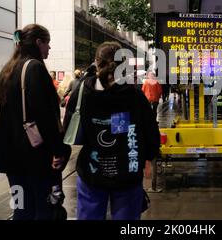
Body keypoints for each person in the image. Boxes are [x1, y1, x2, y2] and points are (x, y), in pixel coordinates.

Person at [63, 41, 160, 220]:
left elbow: (68, 127)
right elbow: (151, 131)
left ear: (95, 62)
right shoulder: (134, 95)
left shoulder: (82, 91)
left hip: (92, 171)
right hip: (127, 173)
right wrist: (149, 157)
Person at [0, 24, 71, 220]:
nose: (49, 49)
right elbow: (44, 116)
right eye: (48, 43)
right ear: (38, 42)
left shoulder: (7, 71)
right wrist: (58, 150)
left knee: (21, 210)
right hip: (35, 156)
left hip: (11, 157)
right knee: (43, 209)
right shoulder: (34, 68)